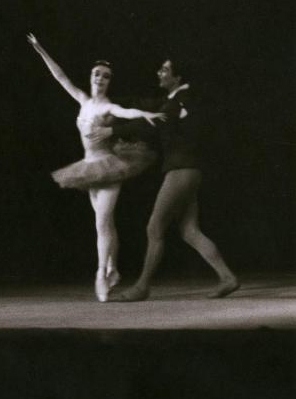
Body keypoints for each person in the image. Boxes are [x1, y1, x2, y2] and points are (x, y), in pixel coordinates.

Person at [27, 33, 165, 302]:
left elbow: (127, 113)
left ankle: (101, 273)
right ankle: (113, 269)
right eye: (96, 74)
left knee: (101, 222)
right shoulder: (83, 100)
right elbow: (60, 77)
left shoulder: (107, 106)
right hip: (88, 168)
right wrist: (40, 48)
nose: (100, 78)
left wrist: (145, 114)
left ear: (109, 81)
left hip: (109, 167)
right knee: (107, 223)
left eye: (105, 76)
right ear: (90, 77)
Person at [88, 59, 239, 301]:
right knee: (189, 230)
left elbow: (152, 124)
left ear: (178, 77)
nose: (159, 73)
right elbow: (147, 107)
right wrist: (117, 105)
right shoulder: (173, 101)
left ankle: (142, 286)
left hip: (181, 171)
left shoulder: (182, 100)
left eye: (165, 70)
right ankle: (227, 277)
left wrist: (112, 131)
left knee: (154, 227)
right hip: (187, 170)